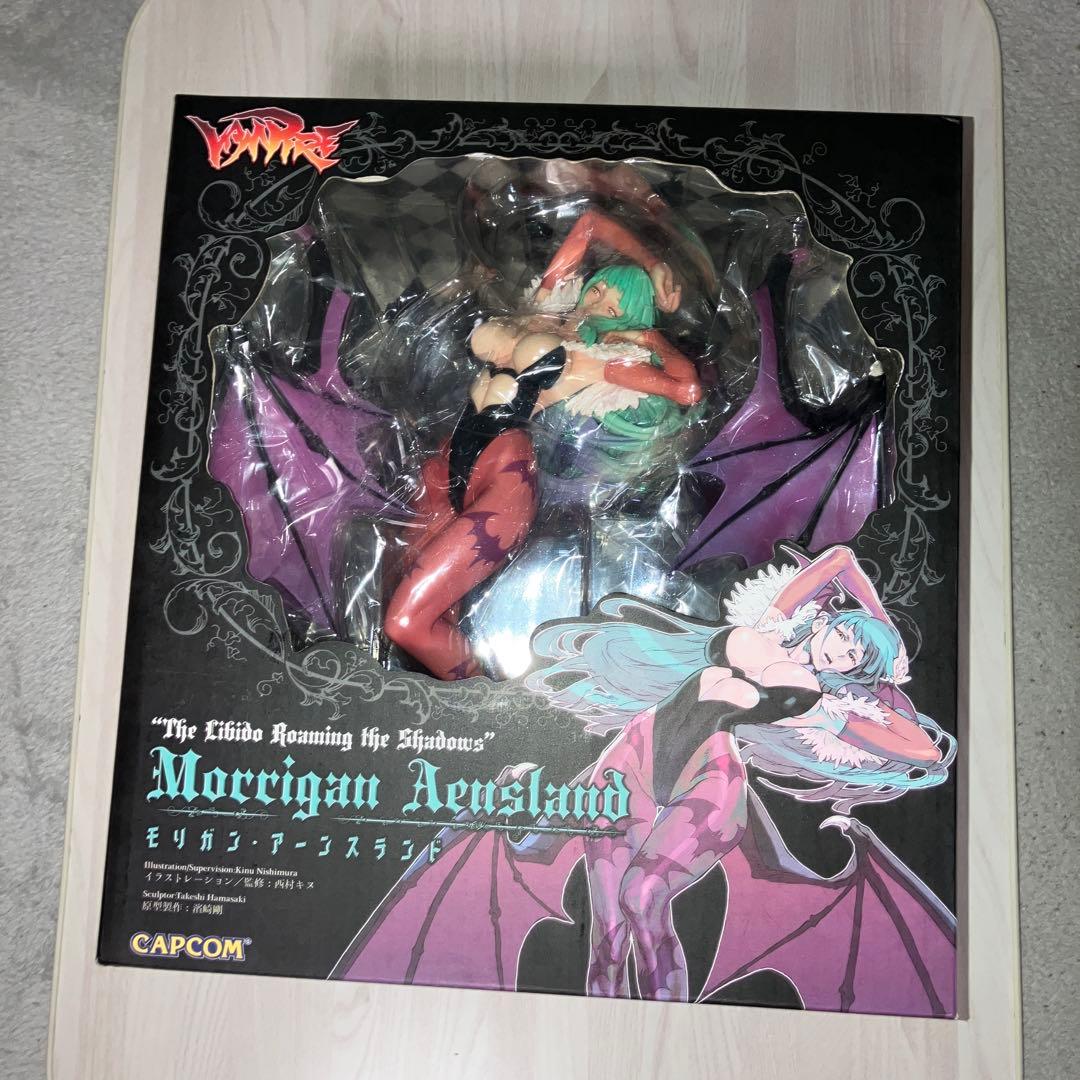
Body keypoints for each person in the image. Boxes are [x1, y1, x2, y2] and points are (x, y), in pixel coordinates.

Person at [524, 544, 949, 999]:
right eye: (845, 636)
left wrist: (873, 675)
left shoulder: (821, 705)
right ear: (825, 622)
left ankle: (664, 1024)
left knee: (642, 898)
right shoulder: (771, 623)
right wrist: (883, 623)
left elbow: (924, 751)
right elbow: (840, 558)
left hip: (708, 776)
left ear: (857, 673)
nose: (840, 652)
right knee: (607, 936)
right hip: (634, 757)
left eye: (854, 658)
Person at [384, 207, 703, 680]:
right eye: (598, 289)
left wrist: (646, 335)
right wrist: (653, 262)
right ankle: (450, 702)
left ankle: (484, 703)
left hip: (503, 477)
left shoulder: (595, 358)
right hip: (444, 465)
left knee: (406, 622)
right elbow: (589, 223)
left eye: (614, 307)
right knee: (428, 611)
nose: (597, 302)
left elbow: (686, 390)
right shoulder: (544, 310)